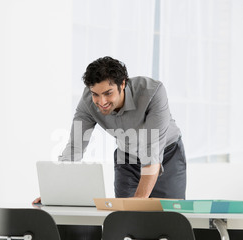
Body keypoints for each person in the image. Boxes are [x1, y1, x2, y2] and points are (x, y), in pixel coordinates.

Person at [33, 56, 186, 204]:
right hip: (127, 158)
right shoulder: (88, 102)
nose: (102, 101)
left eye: (108, 93)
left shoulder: (152, 92)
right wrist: (54, 192)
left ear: (123, 84)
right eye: (95, 94)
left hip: (167, 153)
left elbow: (152, 151)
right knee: (124, 220)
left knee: (168, 217)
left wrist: (139, 200)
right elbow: (75, 148)